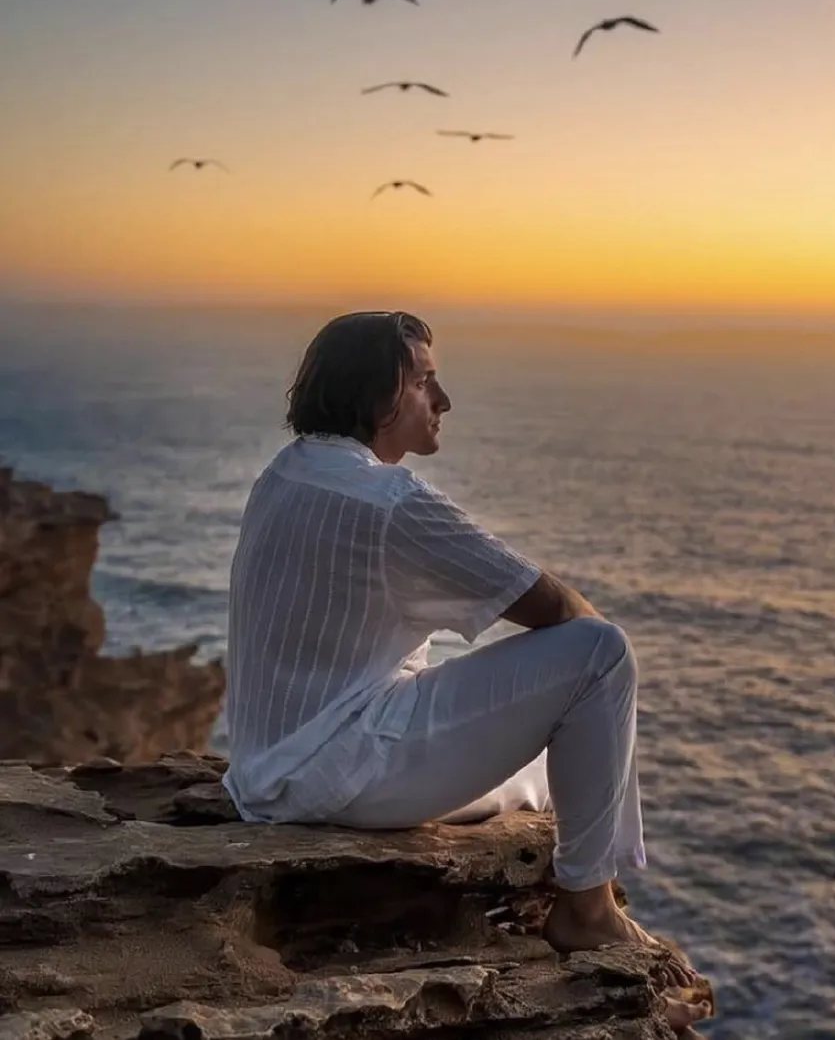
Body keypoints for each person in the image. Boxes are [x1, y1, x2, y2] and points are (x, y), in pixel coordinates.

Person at [221, 311, 710, 1034]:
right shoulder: (393, 502)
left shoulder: (286, 473)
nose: (442, 399)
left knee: (551, 765)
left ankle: (575, 880)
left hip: (266, 770)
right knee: (602, 655)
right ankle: (586, 909)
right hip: (344, 768)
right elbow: (559, 612)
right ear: (375, 397)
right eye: (423, 381)